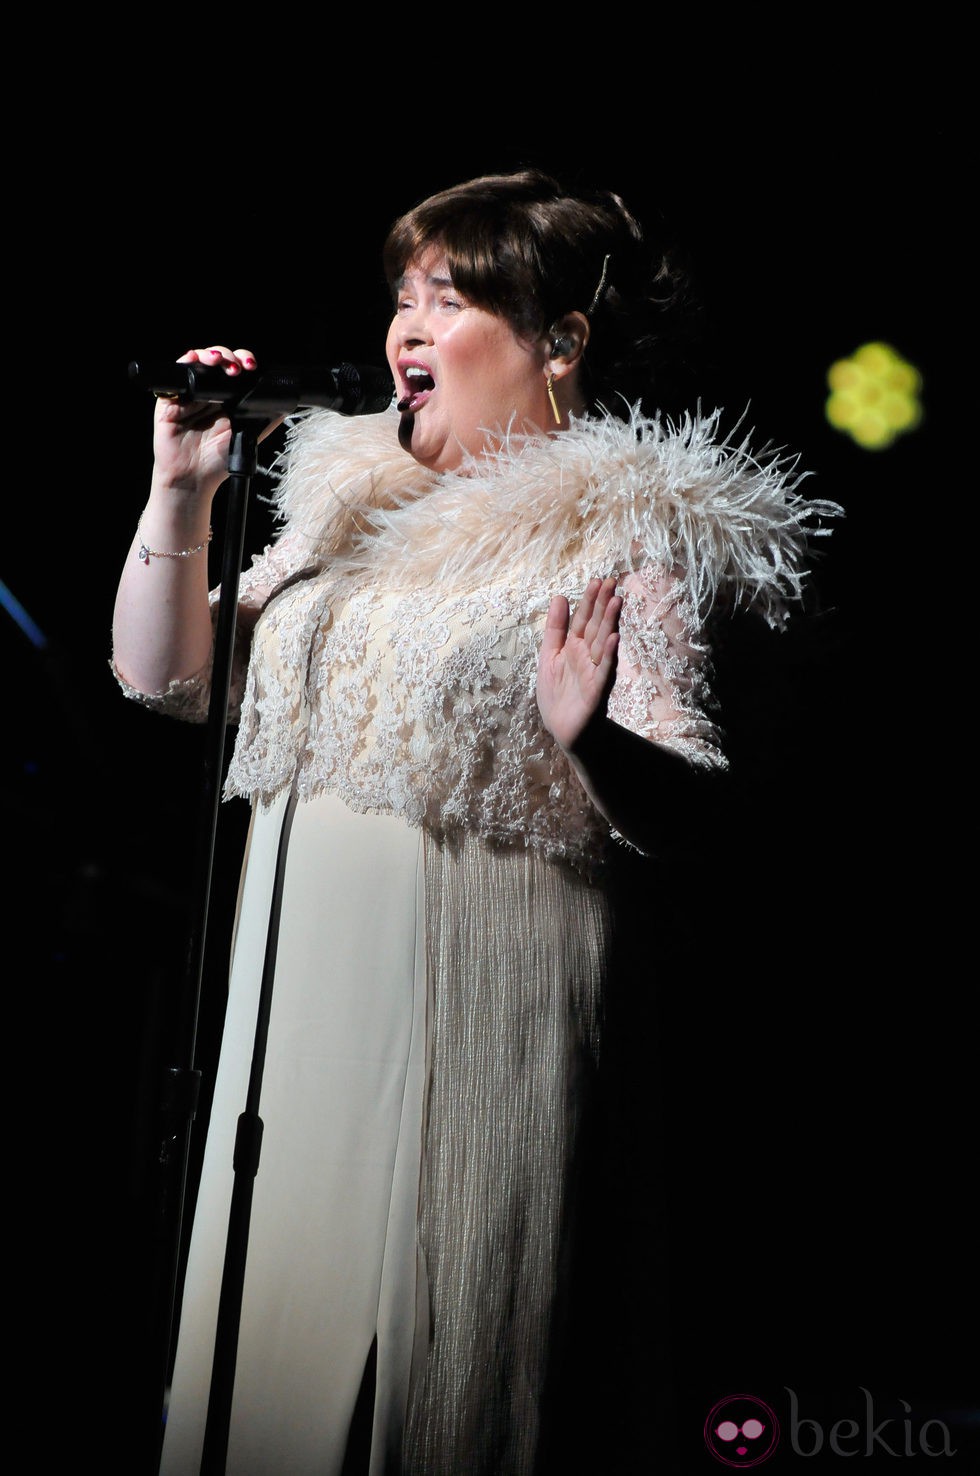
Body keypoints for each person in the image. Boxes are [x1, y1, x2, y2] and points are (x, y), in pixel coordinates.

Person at [111, 168, 840, 1475]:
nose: (405, 327)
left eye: (446, 298)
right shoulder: (347, 510)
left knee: (433, 1378)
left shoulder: (615, 527)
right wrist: (182, 496)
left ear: (558, 340)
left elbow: (696, 811)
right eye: (401, 295)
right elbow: (168, 682)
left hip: (470, 996)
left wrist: (592, 736)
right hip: (297, 1018)